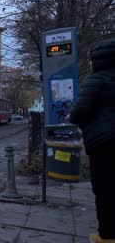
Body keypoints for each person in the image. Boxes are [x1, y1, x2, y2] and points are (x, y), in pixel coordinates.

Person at [70, 37, 115, 243]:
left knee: (105, 188)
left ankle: (106, 235)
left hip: (104, 141)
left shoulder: (97, 79)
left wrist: (85, 125)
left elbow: (79, 112)